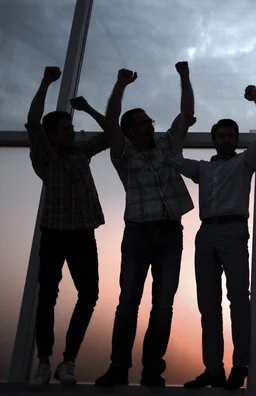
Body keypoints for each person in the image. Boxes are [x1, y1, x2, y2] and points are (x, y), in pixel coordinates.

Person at [95, 62, 195, 388]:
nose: (149, 126)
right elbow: (110, 121)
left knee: (162, 306)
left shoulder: (166, 144)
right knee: (128, 304)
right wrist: (121, 85)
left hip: (170, 232)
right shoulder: (123, 154)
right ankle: (119, 368)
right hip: (138, 233)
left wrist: (184, 77)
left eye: (149, 121)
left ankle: (152, 368)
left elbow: (186, 113)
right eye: (142, 123)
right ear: (130, 131)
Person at [172, 85, 256, 391]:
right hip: (206, 233)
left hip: (232, 231)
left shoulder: (244, 163)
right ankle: (213, 368)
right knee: (208, 304)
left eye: (231, 135)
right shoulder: (203, 170)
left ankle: (240, 364)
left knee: (239, 300)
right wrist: (182, 126)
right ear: (215, 140)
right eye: (221, 136)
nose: (226, 140)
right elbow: (174, 158)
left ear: (236, 139)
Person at [26, 66, 109, 387]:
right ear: (51, 135)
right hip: (54, 234)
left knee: (89, 294)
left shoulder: (81, 154)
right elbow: (33, 122)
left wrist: (88, 108)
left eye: (71, 127)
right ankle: (44, 362)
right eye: (65, 129)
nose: (71, 132)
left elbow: (110, 132)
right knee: (47, 295)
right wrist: (46, 82)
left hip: (83, 234)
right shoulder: (45, 157)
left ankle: (67, 361)